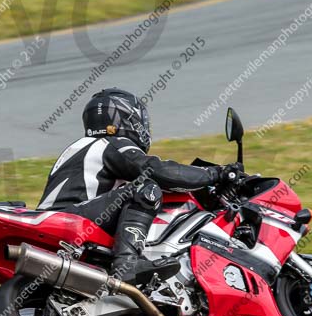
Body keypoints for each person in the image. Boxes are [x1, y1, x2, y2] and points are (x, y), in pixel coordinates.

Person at [37, 88, 236, 285]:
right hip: (71, 218)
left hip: (59, 218)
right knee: (146, 188)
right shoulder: (110, 143)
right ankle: (127, 264)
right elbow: (157, 170)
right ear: (129, 118)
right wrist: (217, 173)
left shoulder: (80, 148)